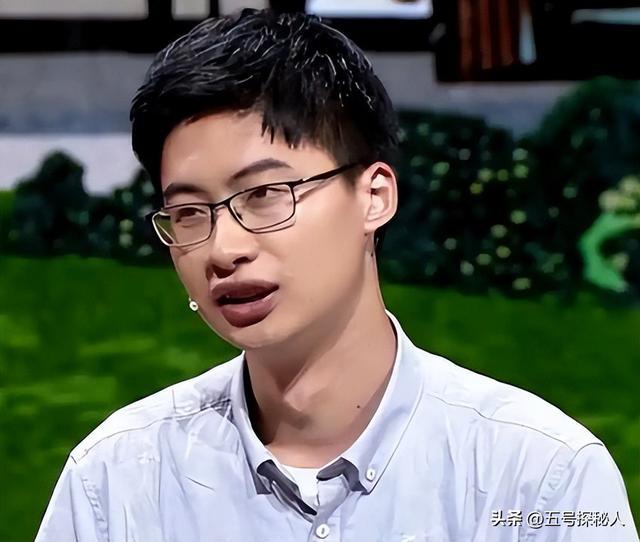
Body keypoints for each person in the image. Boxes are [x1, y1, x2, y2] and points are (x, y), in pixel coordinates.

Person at [35, 8, 638, 542]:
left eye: (265, 195)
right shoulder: (116, 482)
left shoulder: (542, 479)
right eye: (190, 212)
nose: (223, 249)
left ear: (373, 196)